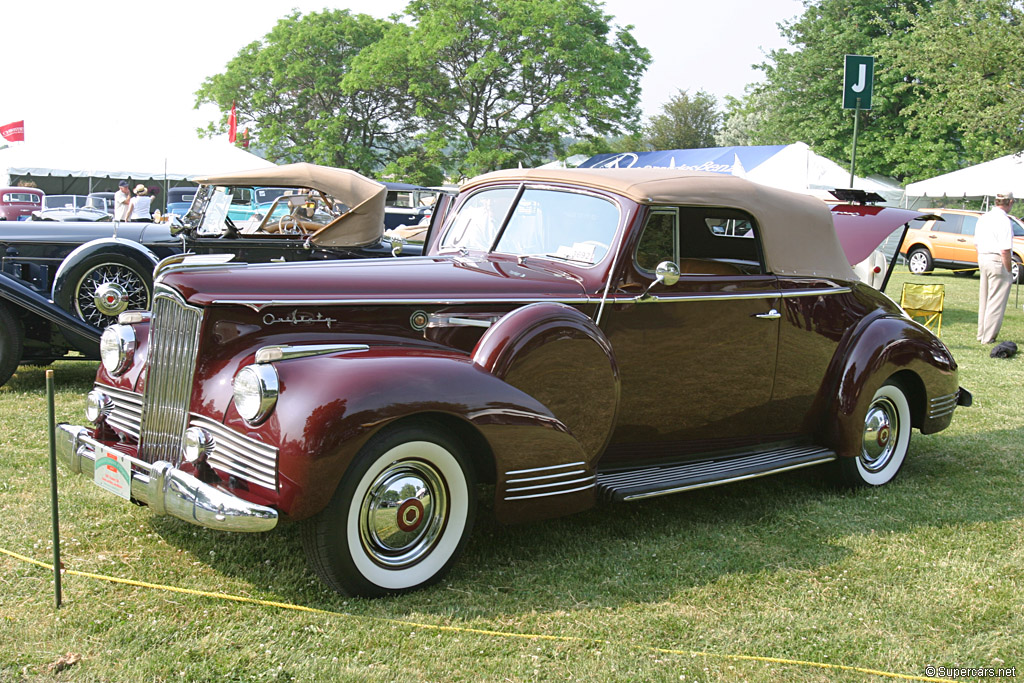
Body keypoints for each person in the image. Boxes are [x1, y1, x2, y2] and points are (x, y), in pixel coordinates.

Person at [975, 192, 1015, 343]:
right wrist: (1009, 270)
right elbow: (1005, 249)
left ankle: (981, 334)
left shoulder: (984, 218)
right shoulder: (1004, 220)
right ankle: (988, 337)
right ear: (1010, 202)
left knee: (984, 299)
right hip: (997, 259)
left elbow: (976, 243)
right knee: (996, 301)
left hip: (983, 257)